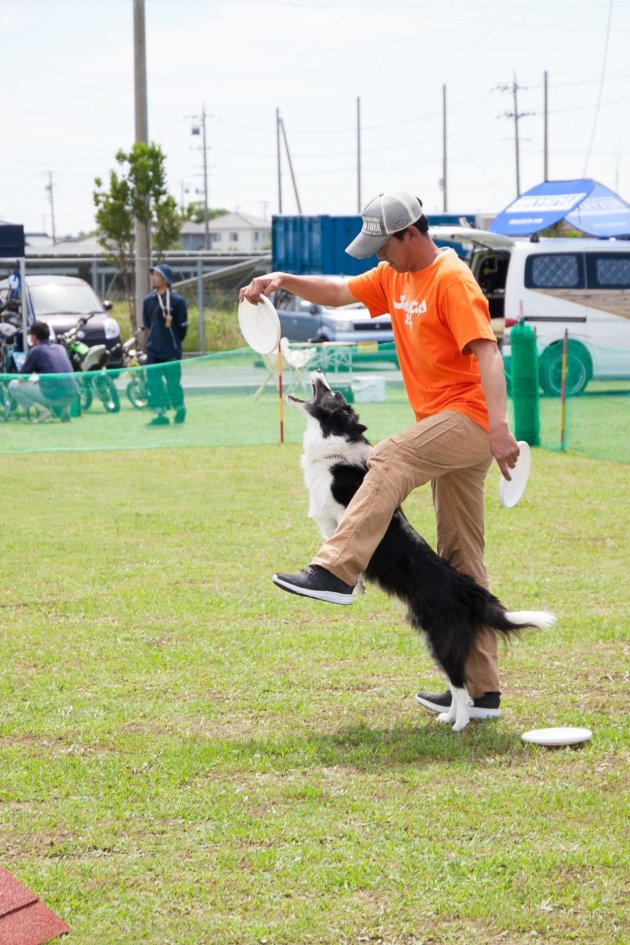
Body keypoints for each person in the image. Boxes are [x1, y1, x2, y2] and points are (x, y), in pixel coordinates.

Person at [240, 190, 520, 721]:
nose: (376, 255)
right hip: (441, 422)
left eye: (382, 245)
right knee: (460, 556)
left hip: (470, 418)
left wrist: (500, 429)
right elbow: (339, 290)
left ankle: (338, 571)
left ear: (410, 234)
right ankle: (482, 693)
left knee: (386, 458)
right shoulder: (394, 275)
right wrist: (282, 281)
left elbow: (488, 354)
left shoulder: (451, 279)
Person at [142, 263, 188, 426]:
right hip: (153, 349)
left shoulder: (177, 301)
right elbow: (147, 324)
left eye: (157, 275)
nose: (153, 278)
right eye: (153, 275)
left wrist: (173, 343)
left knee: (173, 382)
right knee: (153, 383)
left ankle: (179, 408)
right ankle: (160, 414)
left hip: (171, 350)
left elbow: (183, 328)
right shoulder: (148, 301)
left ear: (166, 279)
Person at [9, 320, 77, 422]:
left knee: (13, 385)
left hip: (52, 395)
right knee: (53, 382)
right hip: (73, 395)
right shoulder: (60, 348)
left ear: (34, 337)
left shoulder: (36, 350)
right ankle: (65, 410)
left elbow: (21, 377)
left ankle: (43, 411)